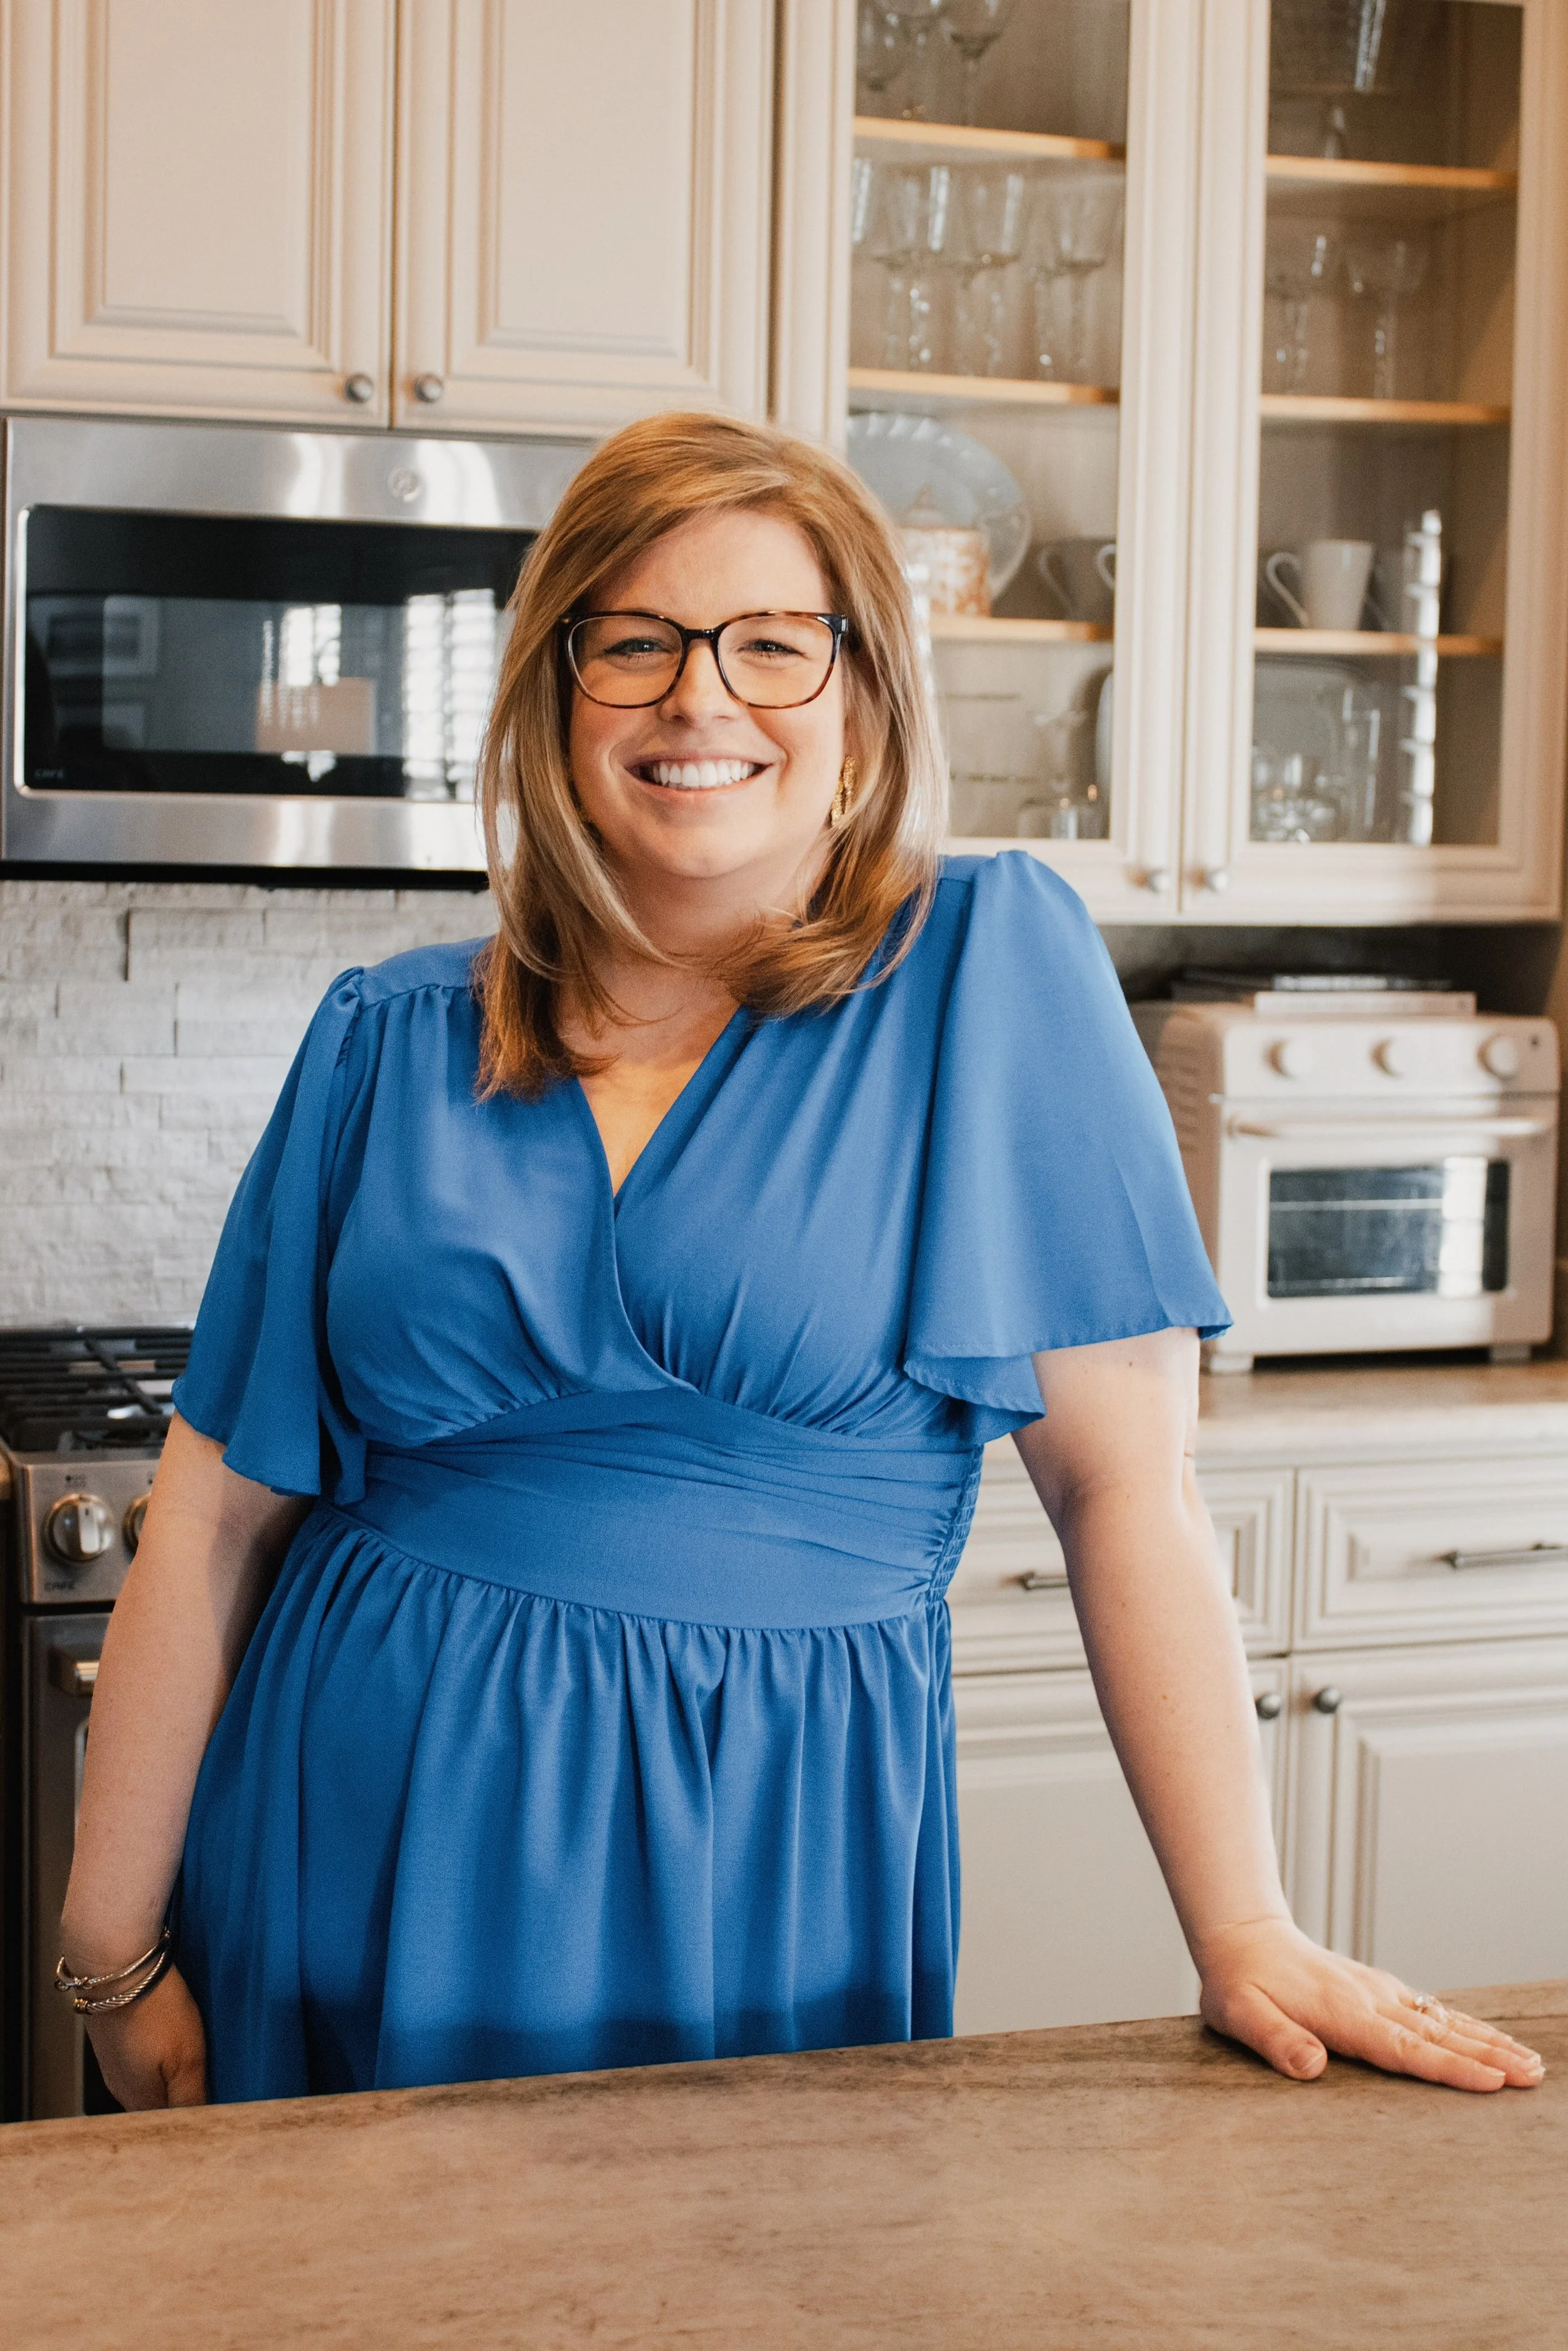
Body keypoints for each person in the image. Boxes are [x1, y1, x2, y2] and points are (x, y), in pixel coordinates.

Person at [60, 412, 1542, 2109]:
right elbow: (217, 1509)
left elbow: (1126, 1493)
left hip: (756, 1869)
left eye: (773, 644)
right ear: (554, 699)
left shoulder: (987, 978)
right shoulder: (382, 1040)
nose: (702, 697)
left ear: (858, 710)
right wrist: (114, 1947)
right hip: (345, 1856)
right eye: (637, 644)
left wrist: (1244, 1925)